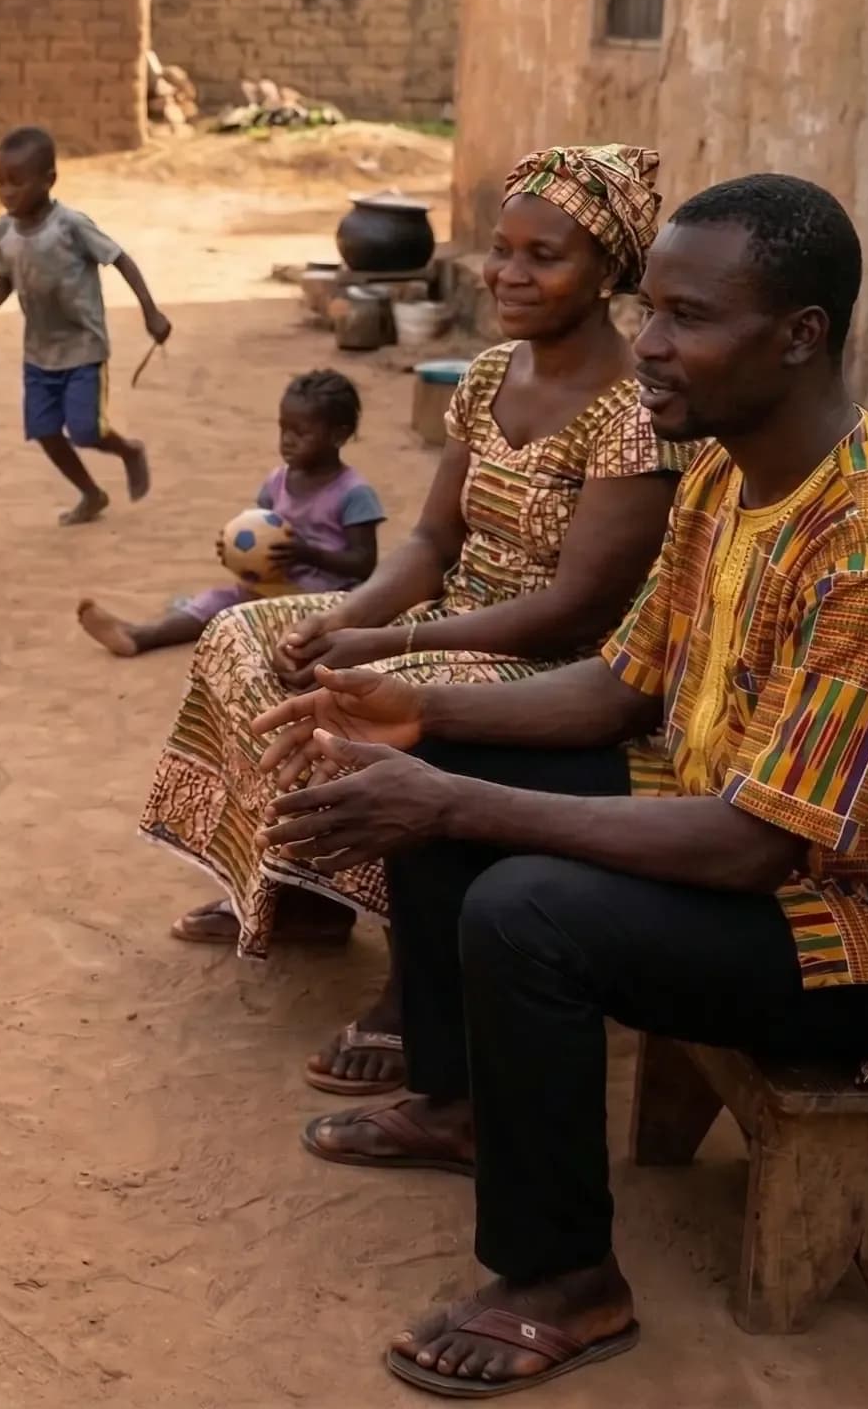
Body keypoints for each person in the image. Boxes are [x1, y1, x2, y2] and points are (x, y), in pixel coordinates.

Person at [261, 174, 868, 1399]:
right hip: (727, 827)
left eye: (687, 317)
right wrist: (420, 713)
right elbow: (618, 684)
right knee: (433, 765)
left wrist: (454, 804)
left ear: (799, 335)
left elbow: (752, 847)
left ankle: (563, 1278)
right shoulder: (722, 471)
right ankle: (456, 1100)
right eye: (648, 307)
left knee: (525, 911)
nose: (647, 344)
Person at [139, 145, 689, 1097]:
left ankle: (412, 989)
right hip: (450, 614)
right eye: (502, 249)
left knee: (379, 707)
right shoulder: (488, 374)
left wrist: (389, 644)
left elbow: (576, 609)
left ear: (608, 271)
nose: (509, 274)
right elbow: (433, 540)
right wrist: (345, 617)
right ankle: (301, 890)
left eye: (544, 256)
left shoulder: (633, 416)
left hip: (558, 665)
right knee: (245, 639)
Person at [78, 369, 382, 657]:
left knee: (252, 617)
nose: (288, 440)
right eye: (283, 429)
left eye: (301, 433)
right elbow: (259, 533)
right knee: (219, 601)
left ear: (338, 436)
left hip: (327, 599)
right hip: (277, 587)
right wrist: (236, 551)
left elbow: (364, 564)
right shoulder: (277, 481)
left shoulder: (353, 493)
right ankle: (139, 636)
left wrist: (308, 554)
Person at [0, 126, 172, 525]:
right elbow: (5, 280)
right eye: (1, 182)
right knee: (44, 431)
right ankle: (91, 494)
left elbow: (120, 259)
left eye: (17, 183)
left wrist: (150, 311)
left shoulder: (71, 226)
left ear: (48, 181)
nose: (6, 193)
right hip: (38, 353)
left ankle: (128, 451)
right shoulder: (5, 231)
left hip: (83, 348)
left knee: (86, 431)